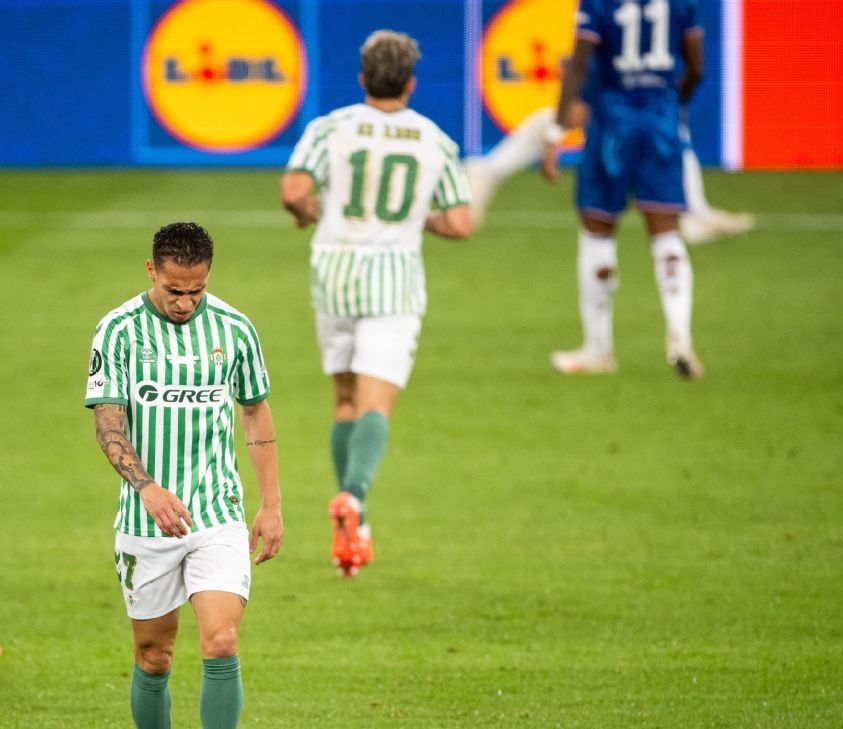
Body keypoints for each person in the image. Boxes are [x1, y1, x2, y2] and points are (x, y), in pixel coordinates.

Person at [280, 30, 473, 577]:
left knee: (344, 398)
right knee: (375, 405)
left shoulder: (331, 127)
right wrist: (421, 218)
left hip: (334, 272)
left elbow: (295, 191)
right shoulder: (433, 140)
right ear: (411, 83)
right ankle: (356, 497)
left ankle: (354, 524)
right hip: (393, 280)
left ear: (363, 78)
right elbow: (460, 222)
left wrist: (308, 213)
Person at [86, 222, 283, 729]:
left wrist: (271, 503)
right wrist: (147, 488)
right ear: (151, 270)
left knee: (222, 641)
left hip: (217, 512)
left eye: (197, 290)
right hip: (146, 521)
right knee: (155, 656)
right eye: (174, 290)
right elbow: (108, 425)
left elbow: (255, 410)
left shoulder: (235, 329)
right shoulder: (118, 330)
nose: (186, 302)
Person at [539, 0, 706, 378]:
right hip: (661, 120)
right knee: (667, 235)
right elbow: (696, 66)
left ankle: (598, 349)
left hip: (611, 125)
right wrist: (672, 101)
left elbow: (580, 62)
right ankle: (680, 338)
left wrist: (557, 129)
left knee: (597, 232)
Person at [465, 102, 753, 245]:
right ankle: (695, 214)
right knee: (553, 120)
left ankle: (696, 213)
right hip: (621, 106)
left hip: (625, 107)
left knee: (674, 137)